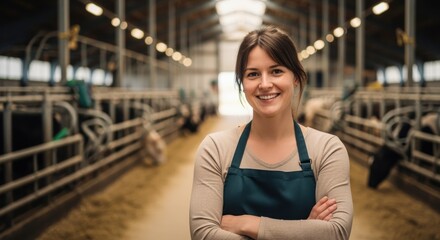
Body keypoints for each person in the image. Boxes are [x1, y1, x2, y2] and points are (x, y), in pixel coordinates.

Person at [189, 26, 353, 240]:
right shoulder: (216, 149)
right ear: (242, 82)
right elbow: (203, 234)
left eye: (276, 71)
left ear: (295, 77)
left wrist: (248, 224)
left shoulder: (327, 149)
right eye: (253, 74)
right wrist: (305, 230)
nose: (265, 84)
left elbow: (336, 233)